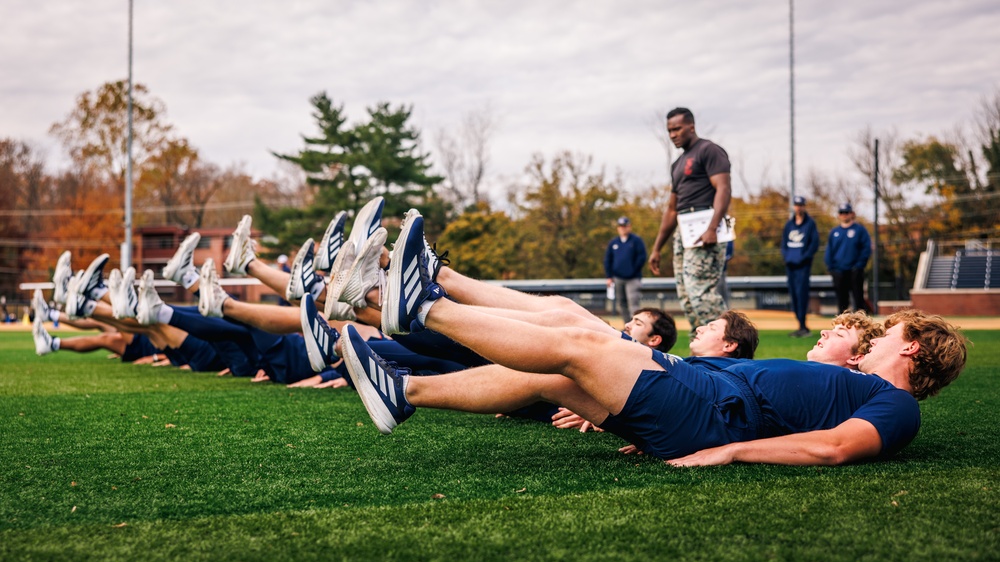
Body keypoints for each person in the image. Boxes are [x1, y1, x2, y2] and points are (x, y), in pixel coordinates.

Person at [346, 210, 968, 466]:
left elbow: (833, 448)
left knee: (579, 347)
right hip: (703, 390)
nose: (886, 332)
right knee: (562, 347)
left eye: (898, 331)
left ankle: (422, 305)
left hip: (715, 417)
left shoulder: (898, 405)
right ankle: (405, 387)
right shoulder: (860, 379)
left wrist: (730, 452)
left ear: (914, 350)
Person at [648, 107, 732, 331]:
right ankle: (702, 350)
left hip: (705, 225)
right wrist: (657, 248)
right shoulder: (677, 164)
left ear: (691, 127)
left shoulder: (709, 150)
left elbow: (723, 189)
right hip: (683, 230)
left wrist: (713, 227)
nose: (673, 134)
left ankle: (730, 347)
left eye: (677, 129)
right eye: (669, 131)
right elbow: (672, 209)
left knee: (700, 293)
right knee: (686, 296)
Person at [782, 196, 820, 337]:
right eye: (796, 204)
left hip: (803, 266)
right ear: (794, 206)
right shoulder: (789, 224)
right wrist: (787, 257)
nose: (798, 207)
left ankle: (803, 326)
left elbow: (814, 244)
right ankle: (800, 326)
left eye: (801, 204)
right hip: (790, 265)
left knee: (801, 294)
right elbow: (784, 244)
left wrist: (803, 258)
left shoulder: (810, 224)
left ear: (804, 206)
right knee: (794, 295)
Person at [825, 202, 872, 314]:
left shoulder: (859, 230)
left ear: (852, 214)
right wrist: (831, 268)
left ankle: (862, 327)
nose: (844, 215)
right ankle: (842, 327)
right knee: (842, 302)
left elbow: (866, 248)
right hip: (838, 271)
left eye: (846, 212)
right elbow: (829, 251)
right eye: (842, 212)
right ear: (839, 215)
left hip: (855, 270)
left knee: (858, 300)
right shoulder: (835, 232)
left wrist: (859, 265)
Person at [604, 216, 647, 324]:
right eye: (621, 226)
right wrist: (609, 276)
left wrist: (633, 270)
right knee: (621, 304)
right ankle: (627, 326)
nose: (623, 228)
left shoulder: (636, 241)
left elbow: (642, 257)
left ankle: (637, 326)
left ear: (629, 227)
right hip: (618, 278)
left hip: (633, 278)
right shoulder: (614, 243)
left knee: (633, 303)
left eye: (625, 226)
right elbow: (608, 259)